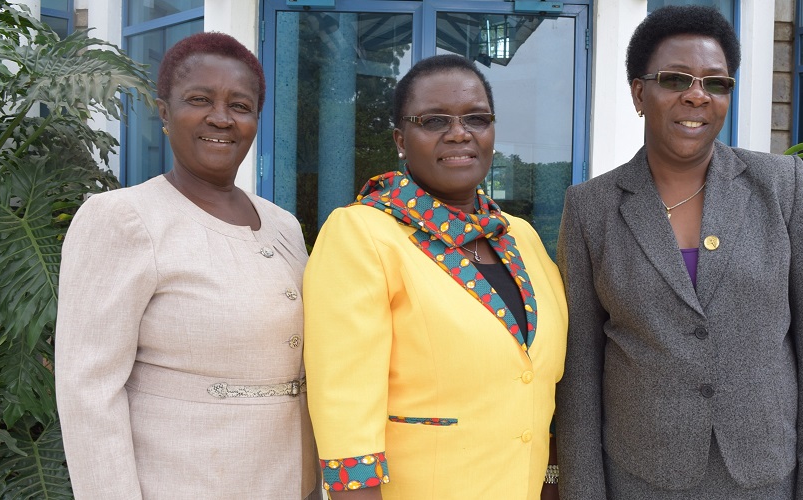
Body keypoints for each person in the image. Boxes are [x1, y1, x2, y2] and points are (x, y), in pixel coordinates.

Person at [554, 6, 803, 499]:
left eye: (716, 83)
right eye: (676, 79)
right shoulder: (591, 208)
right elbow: (579, 370)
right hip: (640, 479)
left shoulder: (782, 187)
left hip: (766, 478)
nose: (697, 95)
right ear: (638, 93)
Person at [55, 32, 318, 499]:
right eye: (200, 99)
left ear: (256, 119)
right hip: (183, 481)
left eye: (240, 106)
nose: (221, 117)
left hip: (286, 481)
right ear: (164, 112)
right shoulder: (125, 220)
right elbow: (88, 392)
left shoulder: (283, 226)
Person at [302, 54, 568, 500]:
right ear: (401, 140)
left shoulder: (520, 236)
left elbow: (537, 383)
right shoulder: (362, 234)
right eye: (434, 120)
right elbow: (344, 405)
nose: (459, 133)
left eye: (476, 118)